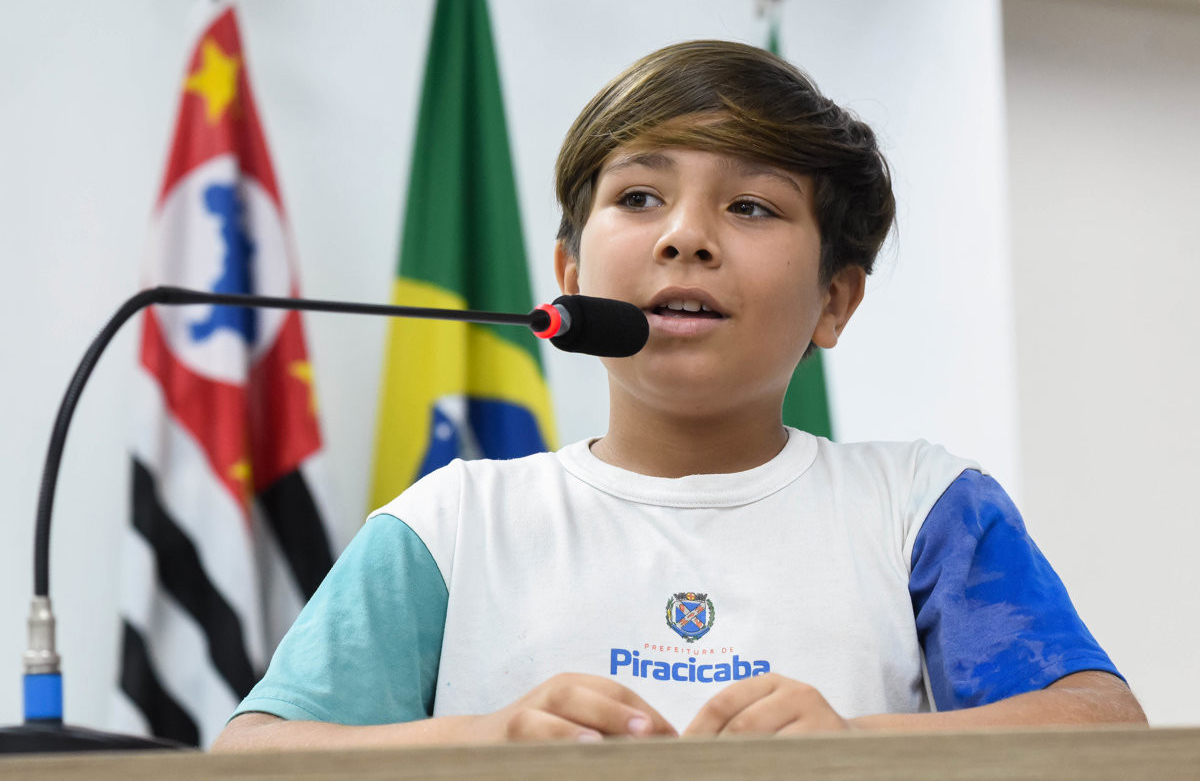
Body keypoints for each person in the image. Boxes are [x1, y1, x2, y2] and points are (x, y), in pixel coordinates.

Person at [213, 40, 1145, 750]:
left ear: (834, 299)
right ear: (569, 276)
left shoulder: (918, 506)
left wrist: (853, 746)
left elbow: (1102, 723)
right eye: (640, 198)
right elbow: (252, 752)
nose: (685, 238)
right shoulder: (454, 522)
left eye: (751, 206)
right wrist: (483, 739)